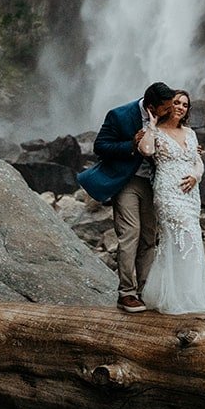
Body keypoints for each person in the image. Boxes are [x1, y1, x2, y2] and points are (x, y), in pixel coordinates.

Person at [78, 81, 176, 313]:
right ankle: (127, 293)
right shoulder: (120, 115)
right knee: (130, 234)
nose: (170, 111)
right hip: (127, 181)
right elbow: (100, 146)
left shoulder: (166, 117)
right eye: (166, 108)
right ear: (152, 107)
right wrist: (130, 144)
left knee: (149, 238)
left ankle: (146, 291)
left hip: (154, 183)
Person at [138, 89, 205, 314]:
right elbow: (145, 150)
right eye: (176, 102)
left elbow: (198, 161)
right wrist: (152, 125)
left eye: (185, 104)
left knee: (181, 242)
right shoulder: (155, 131)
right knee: (186, 239)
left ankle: (179, 295)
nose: (181, 107)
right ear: (167, 105)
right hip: (168, 193)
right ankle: (179, 299)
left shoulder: (191, 133)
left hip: (191, 194)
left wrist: (196, 176)